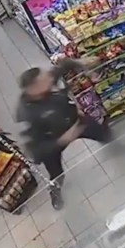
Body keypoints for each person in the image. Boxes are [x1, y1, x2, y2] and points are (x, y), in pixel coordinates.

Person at [16, 57, 104, 210]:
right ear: (34, 88)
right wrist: (62, 140)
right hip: (53, 141)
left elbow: (65, 64)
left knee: (103, 133)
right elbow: (36, 150)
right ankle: (55, 192)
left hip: (75, 122)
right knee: (56, 173)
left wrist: (85, 66)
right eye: (45, 80)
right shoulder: (27, 114)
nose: (51, 79)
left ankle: (120, 146)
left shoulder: (48, 81)